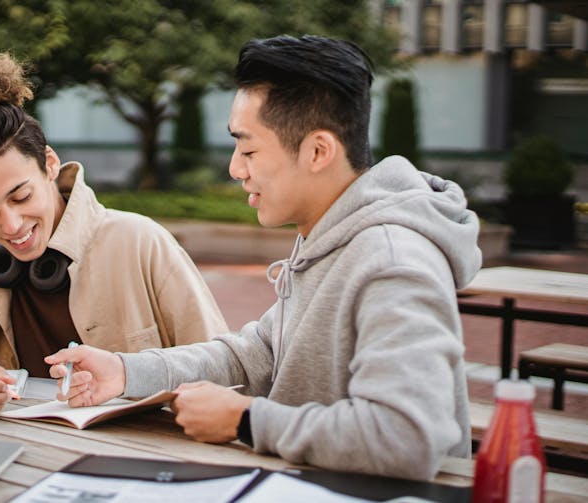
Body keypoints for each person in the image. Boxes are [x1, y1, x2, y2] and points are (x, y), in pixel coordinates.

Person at [45, 35, 482, 480]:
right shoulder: (330, 237)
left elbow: (408, 439)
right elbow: (255, 356)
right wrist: (124, 371)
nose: (236, 168)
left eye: (249, 149)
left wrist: (246, 420)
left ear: (317, 151)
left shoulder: (392, 260)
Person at [0, 45, 228, 417]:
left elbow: (222, 365)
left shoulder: (141, 240)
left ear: (50, 164)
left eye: (21, 196)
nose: (9, 226)